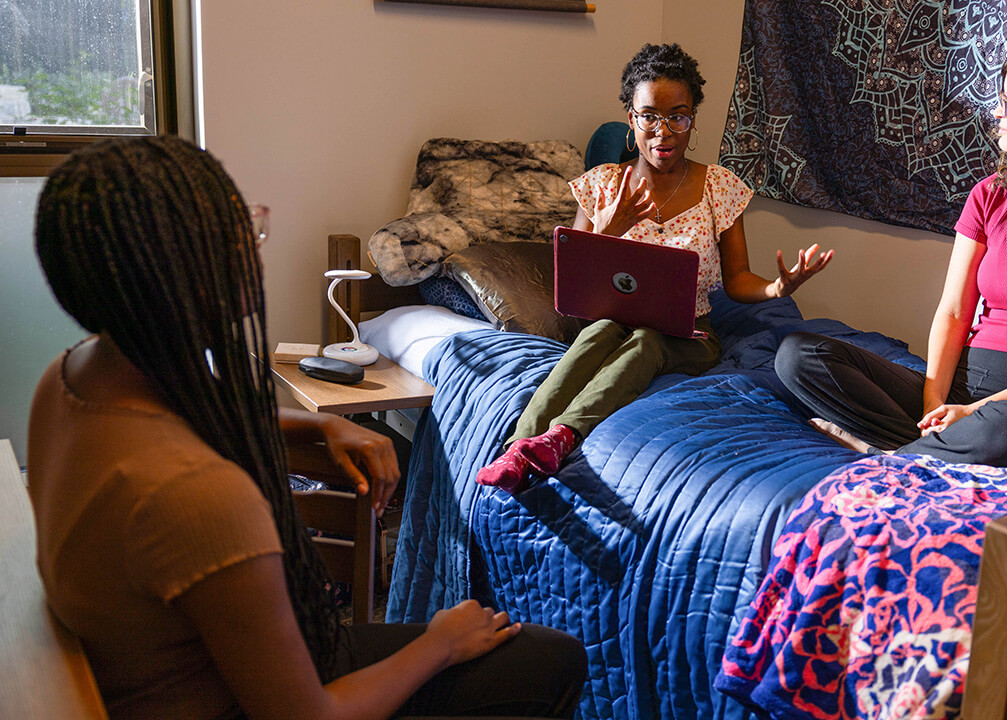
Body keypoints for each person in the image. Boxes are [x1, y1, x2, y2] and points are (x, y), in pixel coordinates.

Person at [26, 136, 587, 720]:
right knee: (550, 661)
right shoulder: (198, 498)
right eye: (236, 227)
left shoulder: (72, 376)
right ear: (179, 273)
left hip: (184, 670)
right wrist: (438, 642)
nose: (254, 242)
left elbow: (179, 413)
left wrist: (312, 429)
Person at [775, 38, 1007, 469]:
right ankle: (929, 450)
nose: (996, 113)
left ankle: (886, 456)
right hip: (962, 392)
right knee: (798, 355)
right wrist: (933, 402)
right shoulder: (991, 195)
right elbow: (955, 311)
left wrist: (976, 413)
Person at [477, 43, 833, 492]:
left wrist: (778, 288)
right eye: (649, 116)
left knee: (647, 340)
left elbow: (738, 279)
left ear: (692, 120)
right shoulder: (602, 185)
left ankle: (563, 435)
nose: (663, 132)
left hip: (691, 335)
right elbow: (568, 283)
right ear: (632, 119)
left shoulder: (719, 187)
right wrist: (607, 229)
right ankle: (517, 447)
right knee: (597, 335)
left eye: (678, 117)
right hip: (610, 322)